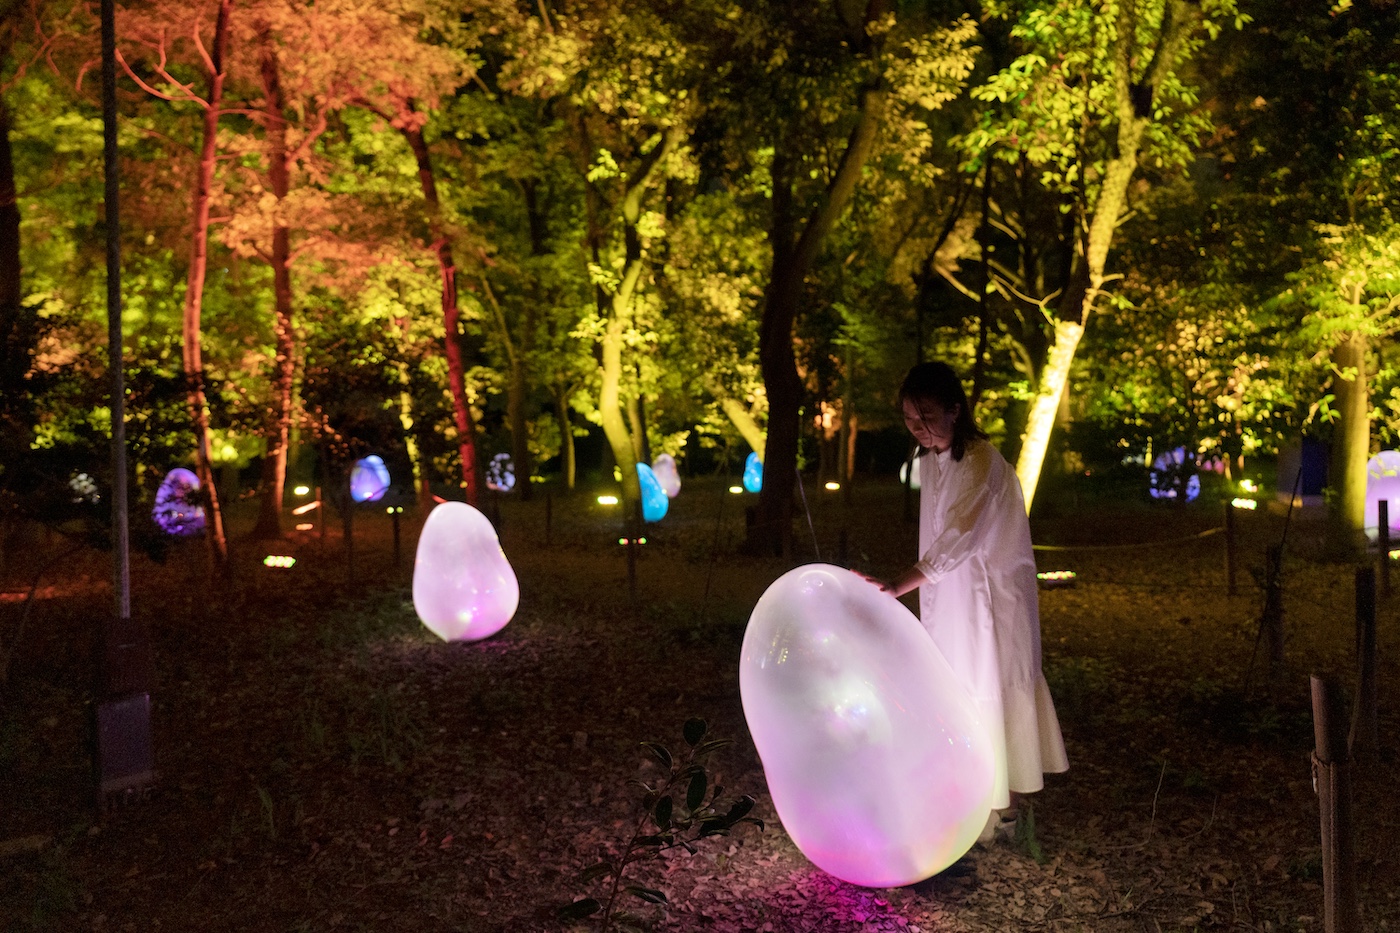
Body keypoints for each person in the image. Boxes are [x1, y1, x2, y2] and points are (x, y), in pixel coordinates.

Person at [870, 361, 1068, 842]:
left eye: (929, 418)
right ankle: (967, 799)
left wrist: (902, 583)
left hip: (990, 600)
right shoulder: (932, 460)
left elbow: (961, 533)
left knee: (994, 690)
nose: (920, 430)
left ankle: (1004, 811)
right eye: (911, 421)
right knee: (958, 690)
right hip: (950, 600)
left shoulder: (980, 460)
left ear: (956, 411)